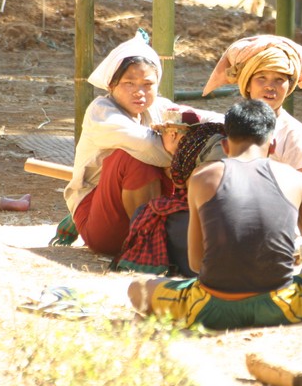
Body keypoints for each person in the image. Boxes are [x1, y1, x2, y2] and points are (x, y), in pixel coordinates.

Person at [128, 99, 302, 330]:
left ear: (225, 145)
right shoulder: (296, 179)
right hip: (279, 307)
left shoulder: (202, 178)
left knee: (137, 288)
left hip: (210, 308)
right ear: (272, 145)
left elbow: (196, 263)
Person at [64, 30, 222, 256]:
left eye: (148, 84)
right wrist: (187, 150)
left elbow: (209, 118)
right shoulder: (101, 112)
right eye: (129, 83)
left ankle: (164, 237)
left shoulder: (159, 107)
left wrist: (240, 126)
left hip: (136, 209)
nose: (139, 92)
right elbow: (147, 146)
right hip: (98, 219)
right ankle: (146, 245)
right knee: (133, 157)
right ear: (112, 85)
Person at [112, 118, 226, 277]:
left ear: (173, 135)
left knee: (146, 213)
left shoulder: (205, 165)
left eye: (161, 134)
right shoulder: (220, 142)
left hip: (216, 270)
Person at [202, 34, 302, 180]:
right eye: (261, 78)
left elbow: (301, 185)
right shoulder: (232, 123)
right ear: (248, 84)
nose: (270, 86)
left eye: (279, 79)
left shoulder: (295, 134)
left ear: (289, 86)